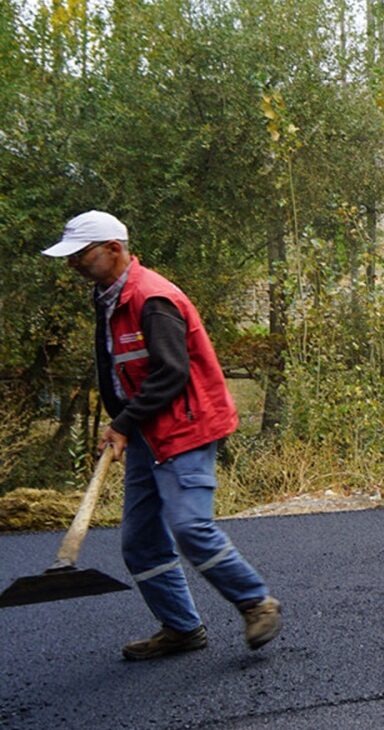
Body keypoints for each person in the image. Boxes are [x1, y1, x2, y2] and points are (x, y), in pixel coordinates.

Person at [43, 211, 282, 661]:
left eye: (81, 254)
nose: (73, 264)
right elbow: (121, 368)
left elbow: (171, 373)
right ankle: (181, 629)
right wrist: (123, 424)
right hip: (147, 430)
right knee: (140, 542)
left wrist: (123, 423)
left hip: (186, 426)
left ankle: (256, 602)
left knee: (190, 525)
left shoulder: (152, 299)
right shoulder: (108, 296)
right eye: (70, 257)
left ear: (114, 248)